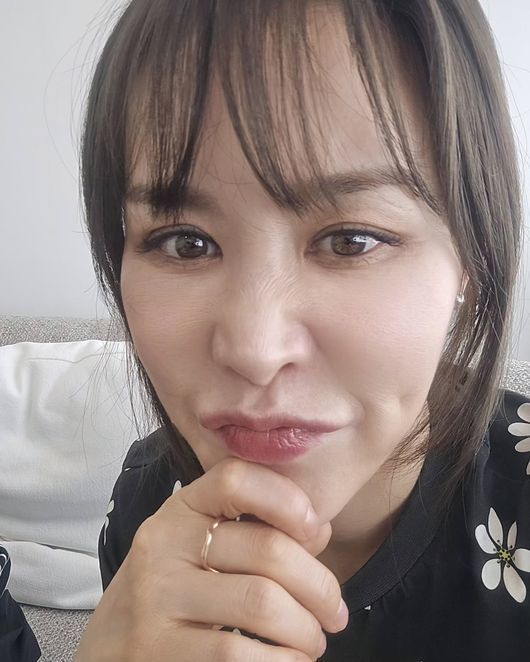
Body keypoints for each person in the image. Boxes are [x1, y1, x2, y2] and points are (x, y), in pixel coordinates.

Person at [72, 0, 530, 660]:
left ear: (469, 259)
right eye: (185, 243)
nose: (255, 351)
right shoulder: (149, 503)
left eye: (351, 240)